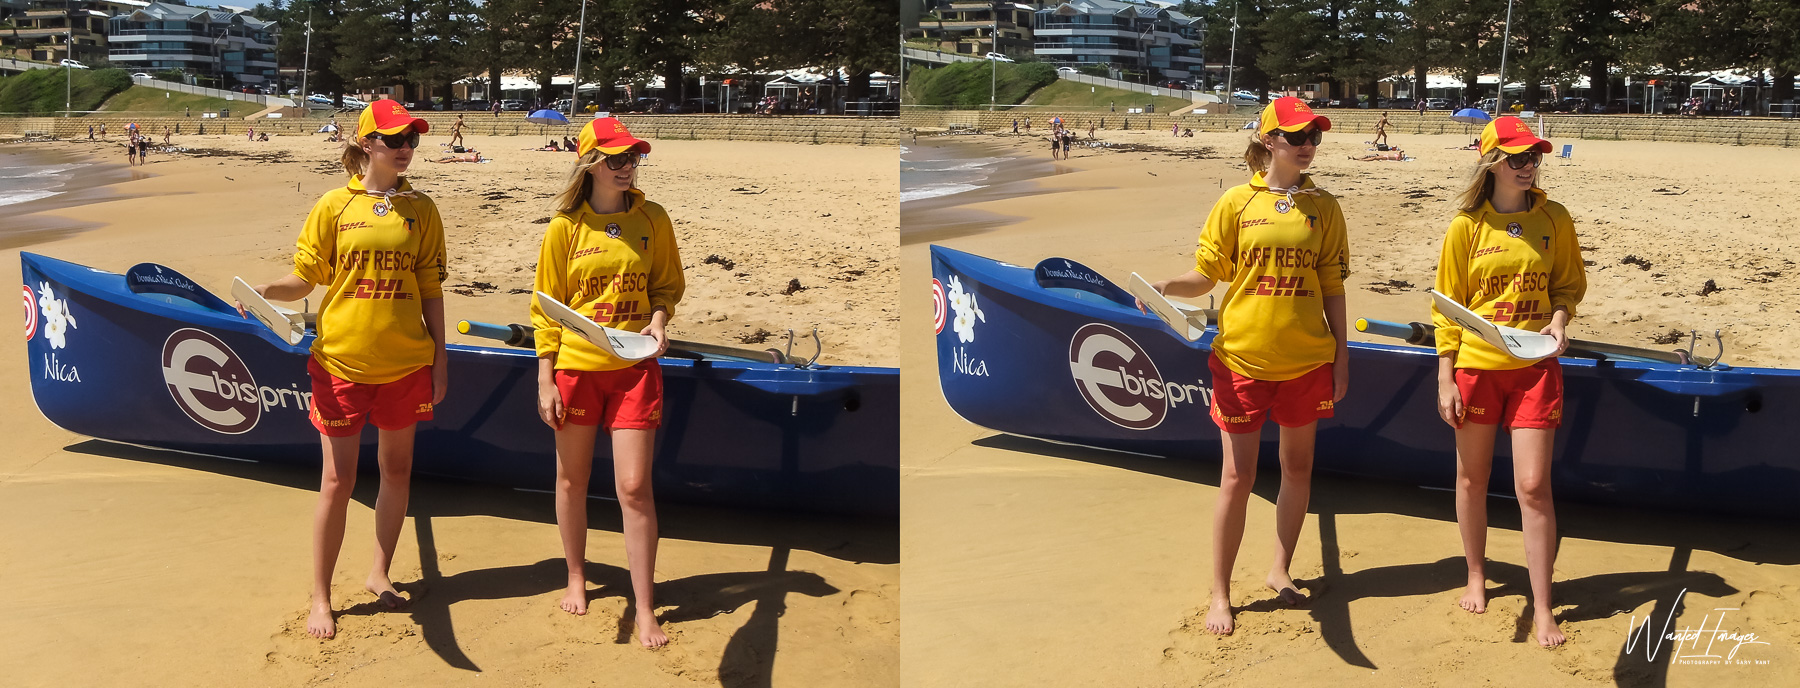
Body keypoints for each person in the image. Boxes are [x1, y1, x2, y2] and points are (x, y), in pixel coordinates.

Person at [1140, 97, 1349, 636]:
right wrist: (1165, 287)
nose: (1307, 145)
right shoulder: (1236, 201)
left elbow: (1331, 287)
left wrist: (1340, 357)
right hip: (1241, 359)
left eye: (1314, 137)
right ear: (1268, 141)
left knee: (1298, 470)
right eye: (1297, 136)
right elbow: (1207, 275)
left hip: (1306, 360)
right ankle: (1220, 593)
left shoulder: (1324, 207)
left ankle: (1279, 568)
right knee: (1238, 477)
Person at [238, 101, 446, 640]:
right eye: (394, 139)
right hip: (341, 363)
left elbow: (429, 288)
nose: (404, 148)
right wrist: (263, 291)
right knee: (338, 480)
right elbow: (305, 278)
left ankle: (379, 571)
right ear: (366, 144)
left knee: (397, 473)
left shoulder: (421, 209)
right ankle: (322, 597)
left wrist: (439, 359)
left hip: (405, 363)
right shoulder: (334, 205)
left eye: (412, 140)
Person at [1431, 115, 1584, 648]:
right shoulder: (1465, 226)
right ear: (1492, 162)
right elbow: (1447, 308)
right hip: (1475, 369)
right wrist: (1445, 377)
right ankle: (1477, 573)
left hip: (1536, 368)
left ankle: (1544, 604)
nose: (1529, 166)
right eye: (1517, 158)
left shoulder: (1554, 218)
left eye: (1534, 157)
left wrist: (1560, 319)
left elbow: (1567, 285)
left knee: (1533, 487)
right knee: (1471, 480)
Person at [532, 117, 684, 648]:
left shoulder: (652, 218)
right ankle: (576, 575)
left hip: (635, 369)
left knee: (635, 487)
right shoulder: (564, 227)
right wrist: (545, 379)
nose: (628, 167)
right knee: (571, 481)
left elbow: (666, 285)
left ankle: (645, 605)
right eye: (616, 159)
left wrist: (659, 321)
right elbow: (546, 310)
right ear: (590, 163)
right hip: (575, 370)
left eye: (633, 158)